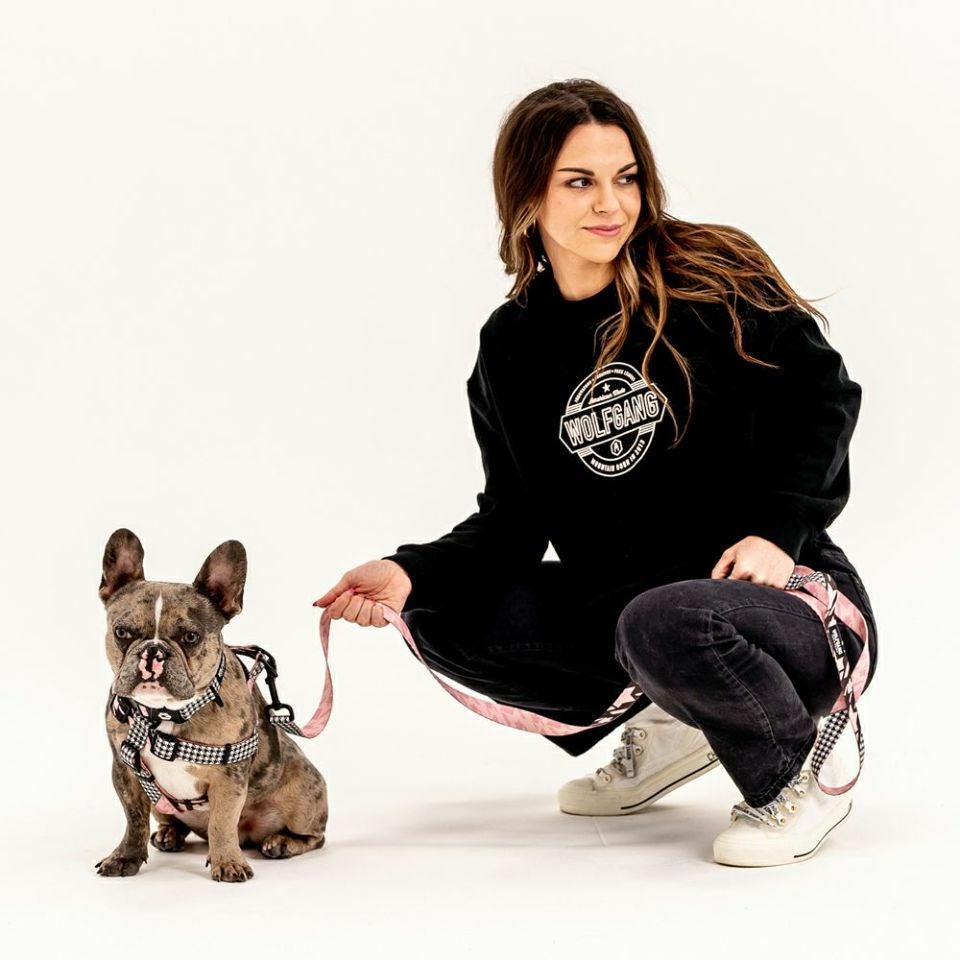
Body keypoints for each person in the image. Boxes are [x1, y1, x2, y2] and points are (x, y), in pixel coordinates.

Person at [314, 78, 879, 868]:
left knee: (664, 620)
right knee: (439, 611)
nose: (611, 204)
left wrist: (777, 533)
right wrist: (409, 574)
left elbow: (825, 400)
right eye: (579, 182)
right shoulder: (511, 347)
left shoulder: (709, 278)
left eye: (627, 178)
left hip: (782, 606)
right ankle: (680, 722)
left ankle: (790, 777)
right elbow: (512, 523)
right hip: (633, 621)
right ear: (527, 198)